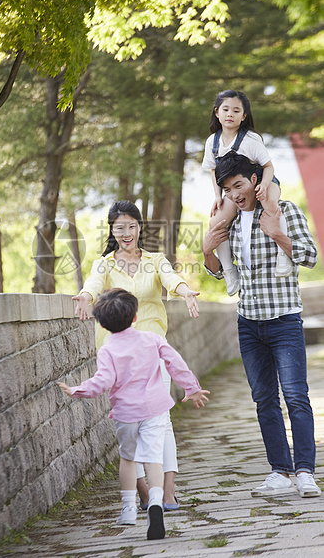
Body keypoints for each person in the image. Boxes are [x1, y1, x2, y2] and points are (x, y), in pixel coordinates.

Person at [202, 151, 321, 498]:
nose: (234, 194)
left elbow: (310, 256)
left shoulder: (285, 213)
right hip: (249, 323)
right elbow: (220, 272)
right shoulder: (231, 223)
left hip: (284, 319)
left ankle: (305, 472)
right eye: (226, 189)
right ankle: (280, 472)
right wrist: (208, 251)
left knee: (296, 397)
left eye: (238, 184)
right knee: (264, 399)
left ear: (255, 180)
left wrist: (276, 234)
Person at [72, 200, 200, 511]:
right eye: (120, 227)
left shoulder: (155, 261)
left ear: (139, 227)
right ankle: (144, 491)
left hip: (152, 351)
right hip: (117, 356)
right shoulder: (104, 264)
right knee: (130, 422)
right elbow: (92, 285)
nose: (126, 232)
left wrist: (185, 292)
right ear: (112, 230)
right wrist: (85, 297)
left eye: (132, 226)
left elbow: (171, 279)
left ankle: (167, 493)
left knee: (161, 420)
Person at [58, 288, 210, 539]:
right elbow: (175, 362)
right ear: (135, 317)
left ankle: (128, 508)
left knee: (128, 458)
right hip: (155, 409)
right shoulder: (152, 339)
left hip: (126, 414)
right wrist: (191, 388)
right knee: (153, 459)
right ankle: (156, 503)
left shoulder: (107, 350)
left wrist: (77, 390)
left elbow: (102, 381)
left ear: (103, 326)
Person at [202, 90, 292, 296]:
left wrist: (263, 185)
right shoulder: (212, 142)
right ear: (217, 112)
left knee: (271, 205)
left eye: (236, 110)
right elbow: (214, 171)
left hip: (262, 180)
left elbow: (269, 166)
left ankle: (283, 255)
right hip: (235, 189)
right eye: (225, 109)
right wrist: (218, 196)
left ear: (244, 116)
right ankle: (230, 270)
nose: (230, 114)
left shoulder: (250, 139)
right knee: (216, 221)